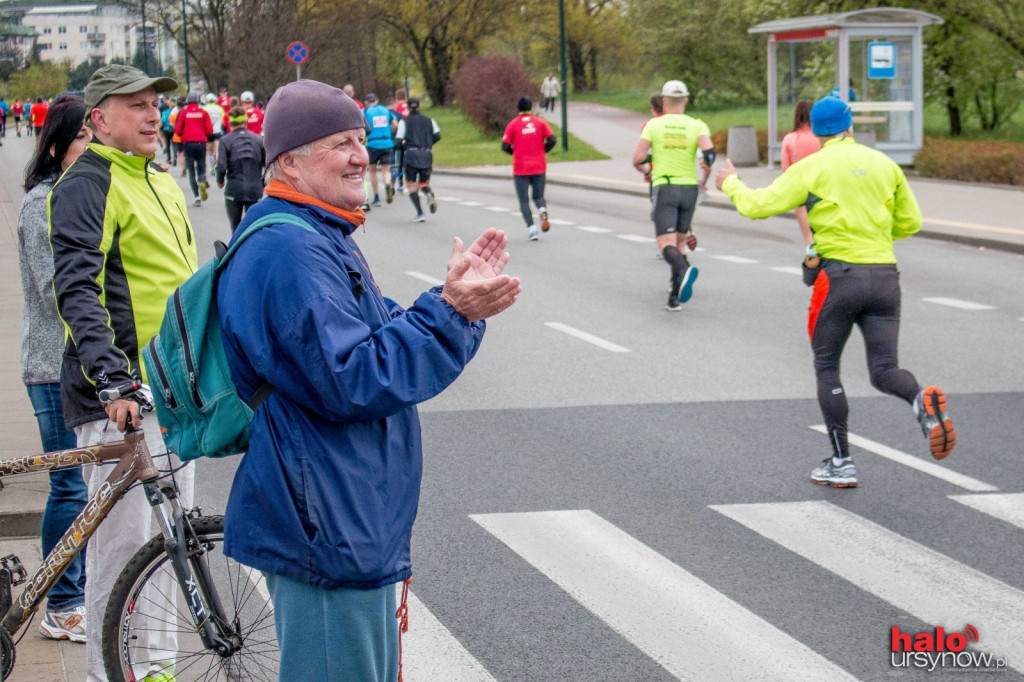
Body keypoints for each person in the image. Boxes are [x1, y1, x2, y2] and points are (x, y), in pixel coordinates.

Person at [216, 78, 519, 682]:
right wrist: (451, 311)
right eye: (339, 143)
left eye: (360, 138)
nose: (362, 154)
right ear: (291, 162)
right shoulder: (288, 251)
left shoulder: (317, 234)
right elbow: (352, 378)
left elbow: (374, 339)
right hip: (325, 519)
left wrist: (452, 301)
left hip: (345, 511)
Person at [715, 95, 956, 489]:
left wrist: (732, 183)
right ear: (850, 126)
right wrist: (873, 235)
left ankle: (842, 463)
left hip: (838, 278)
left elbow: (758, 207)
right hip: (884, 276)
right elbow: (910, 222)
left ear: (813, 129)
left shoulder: (813, 166)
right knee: (884, 369)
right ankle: (919, 402)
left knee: (827, 367)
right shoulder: (885, 164)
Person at [48, 63, 198, 682]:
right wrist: (112, 377)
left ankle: (156, 668)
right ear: (99, 119)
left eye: (155, 104)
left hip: (176, 393)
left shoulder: (161, 181)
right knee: (122, 551)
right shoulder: (90, 181)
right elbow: (77, 286)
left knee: (173, 544)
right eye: (134, 105)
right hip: (122, 397)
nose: (151, 114)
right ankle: (110, 673)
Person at [17, 95, 92, 645]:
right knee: (67, 486)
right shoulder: (41, 203)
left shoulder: (79, 196)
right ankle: (63, 605)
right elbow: (55, 291)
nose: (94, 147)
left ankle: (80, 594)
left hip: (88, 362)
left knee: (87, 486)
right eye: (85, 138)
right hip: (53, 364)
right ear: (56, 145)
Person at [632, 79, 714, 311]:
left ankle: (684, 269)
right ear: (686, 100)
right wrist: (703, 177)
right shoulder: (697, 125)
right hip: (689, 188)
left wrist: (649, 168)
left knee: (665, 244)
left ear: (665, 101)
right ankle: (674, 299)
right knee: (680, 242)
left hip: (665, 187)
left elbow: (637, 158)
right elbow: (709, 155)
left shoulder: (654, 125)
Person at [502, 96, 556, 241]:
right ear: (530, 108)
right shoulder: (540, 123)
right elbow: (552, 139)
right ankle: (542, 210)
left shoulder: (513, 125)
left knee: (524, 201)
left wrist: (515, 152)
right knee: (538, 197)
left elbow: (505, 146)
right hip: (539, 166)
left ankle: (532, 229)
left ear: (518, 108)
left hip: (521, 168)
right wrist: (543, 149)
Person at [217, 106, 266, 232]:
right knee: (253, 228)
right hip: (255, 189)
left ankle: (236, 250)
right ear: (246, 122)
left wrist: (220, 181)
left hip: (234, 189)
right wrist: (263, 183)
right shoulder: (259, 140)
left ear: (229, 123)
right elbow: (268, 164)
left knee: (236, 228)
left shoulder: (225, 140)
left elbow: (221, 166)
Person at [780, 99, 821, 246]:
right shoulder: (820, 138)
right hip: (820, 182)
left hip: (800, 184)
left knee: (801, 208)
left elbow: (785, 167)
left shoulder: (790, 138)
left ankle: (809, 242)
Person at [396, 97, 440, 223]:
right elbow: (437, 135)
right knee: (423, 183)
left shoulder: (404, 122)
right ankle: (428, 193)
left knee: (411, 184)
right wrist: (428, 143)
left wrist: (405, 145)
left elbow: (398, 141)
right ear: (419, 106)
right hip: (426, 153)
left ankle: (420, 213)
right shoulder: (429, 120)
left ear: (408, 108)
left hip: (411, 154)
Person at [174, 92, 214, 206]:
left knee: (191, 171)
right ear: (197, 101)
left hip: (188, 144)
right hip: (201, 143)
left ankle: (197, 197)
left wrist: (184, 134)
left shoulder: (183, 113)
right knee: (201, 165)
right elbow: (209, 130)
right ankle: (202, 180)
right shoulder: (203, 113)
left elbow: (177, 130)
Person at [362, 92, 398, 207]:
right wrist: (389, 131)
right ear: (376, 101)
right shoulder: (386, 110)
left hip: (373, 143)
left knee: (372, 170)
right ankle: (388, 185)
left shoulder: (365, 111)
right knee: (386, 170)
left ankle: (377, 197)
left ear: (366, 102)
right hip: (387, 142)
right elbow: (395, 124)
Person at [203, 93, 226, 166]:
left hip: (208, 132)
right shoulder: (220, 108)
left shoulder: (204, 108)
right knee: (217, 150)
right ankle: (217, 164)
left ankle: (212, 167)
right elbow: (223, 119)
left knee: (209, 150)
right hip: (217, 131)